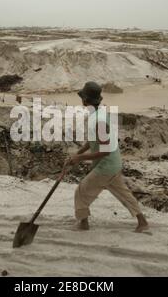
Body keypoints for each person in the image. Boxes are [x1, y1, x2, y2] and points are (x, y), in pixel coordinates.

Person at [65, 81, 149, 232]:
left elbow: (105, 151)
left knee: (81, 192)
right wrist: (77, 153)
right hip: (113, 163)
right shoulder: (98, 114)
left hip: (107, 165)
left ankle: (83, 223)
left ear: (85, 100)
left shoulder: (100, 121)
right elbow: (92, 141)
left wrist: (79, 159)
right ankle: (142, 222)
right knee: (123, 194)